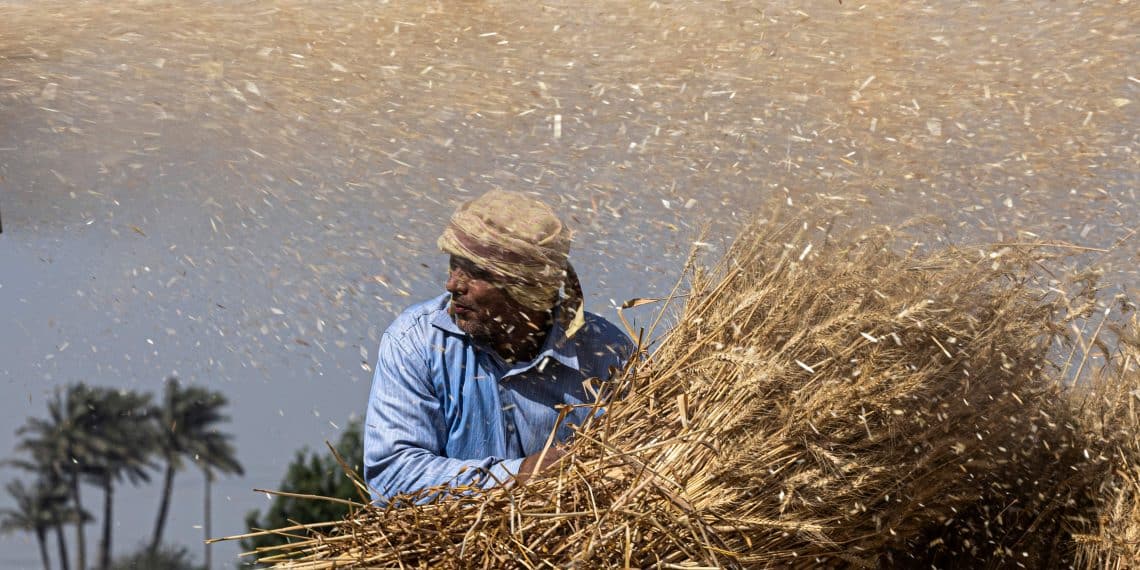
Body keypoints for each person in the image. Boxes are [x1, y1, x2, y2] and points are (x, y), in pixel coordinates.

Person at [363, 189, 635, 502]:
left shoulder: (607, 354)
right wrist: (516, 476)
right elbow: (391, 477)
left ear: (527, 290)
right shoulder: (416, 343)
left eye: (475, 272)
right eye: (454, 264)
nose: (453, 284)